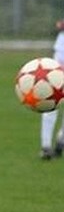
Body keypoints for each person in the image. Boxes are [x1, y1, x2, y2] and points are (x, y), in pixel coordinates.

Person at [39, 18, 64, 160]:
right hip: (58, 70)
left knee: (50, 107)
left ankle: (59, 141)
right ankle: (46, 146)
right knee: (50, 105)